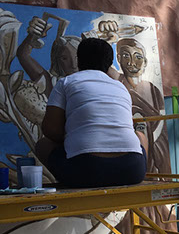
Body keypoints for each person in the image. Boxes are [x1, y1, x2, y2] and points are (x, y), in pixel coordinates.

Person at [35, 38, 148, 188]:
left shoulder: (66, 83)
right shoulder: (121, 88)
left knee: (43, 145)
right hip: (132, 171)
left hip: (86, 171)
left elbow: (51, 130)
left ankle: (71, 180)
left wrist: (74, 136)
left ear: (79, 60)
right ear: (109, 64)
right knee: (140, 135)